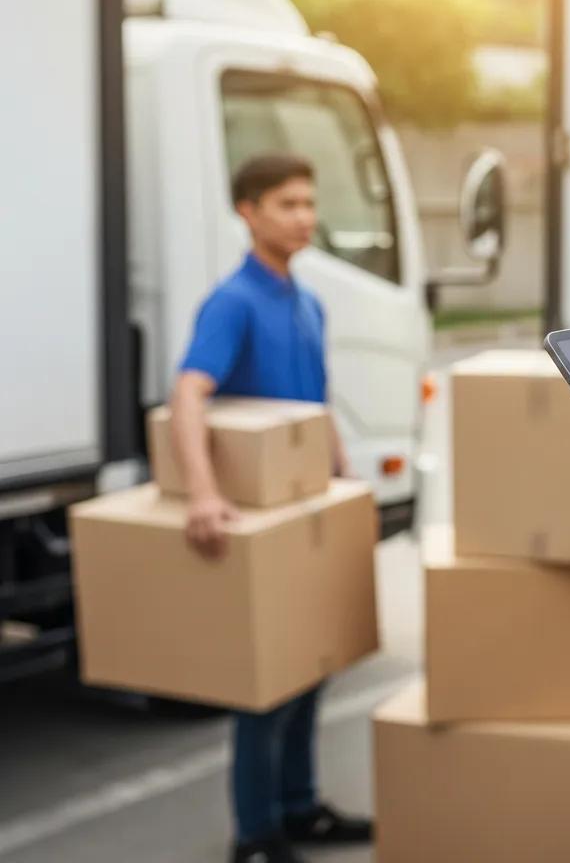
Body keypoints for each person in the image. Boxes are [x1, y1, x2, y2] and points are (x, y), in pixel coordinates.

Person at [169, 153, 372, 863]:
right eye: (287, 204)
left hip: (309, 512)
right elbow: (188, 394)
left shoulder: (306, 300)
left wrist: (345, 479)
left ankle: (300, 808)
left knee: (310, 665)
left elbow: (314, 405)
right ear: (247, 212)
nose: (304, 217)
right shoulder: (233, 302)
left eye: (309, 203)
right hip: (257, 523)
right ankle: (254, 837)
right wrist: (203, 494)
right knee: (264, 685)